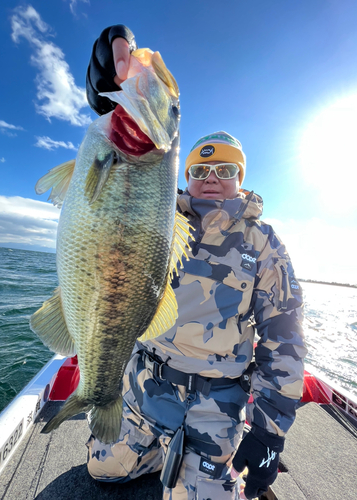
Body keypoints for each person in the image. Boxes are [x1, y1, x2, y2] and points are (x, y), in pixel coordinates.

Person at [85, 25, 307, 500]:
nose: (211, 179)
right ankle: (146, 447)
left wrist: (269, 433)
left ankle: (201, 464)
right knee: (100, 472)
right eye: (200, 170)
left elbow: (285, 341)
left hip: (217, 404)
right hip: (147, 384)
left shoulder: (265, 245)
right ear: (184, 174)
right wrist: (113, 105)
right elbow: (121, 186)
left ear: (240, 179)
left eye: (224, 170)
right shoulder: (161, 215)